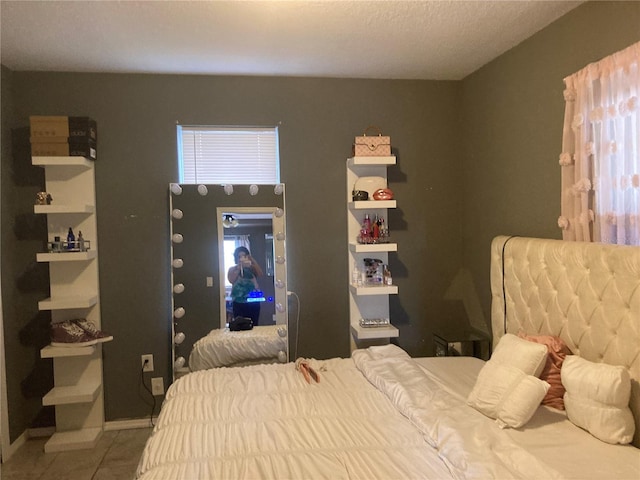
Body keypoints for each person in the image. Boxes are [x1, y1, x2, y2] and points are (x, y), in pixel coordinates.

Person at [227, 246, 264, 326]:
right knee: (240, 324)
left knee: (254, 323)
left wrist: (252, 261)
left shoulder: (252, 267)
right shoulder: (232, 269)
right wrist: (239, 267)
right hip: (238, 300)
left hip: (253, 299)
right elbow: (231, 280)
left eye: (244, 256)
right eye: (239, 256)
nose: (242, 258)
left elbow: (260, 274)